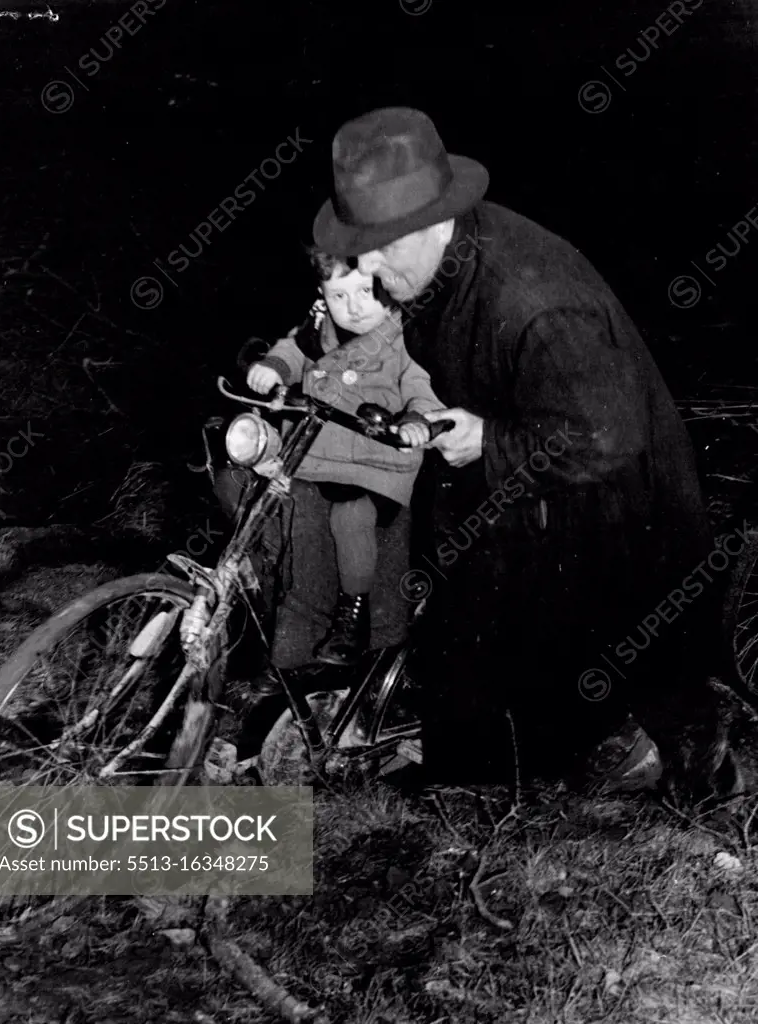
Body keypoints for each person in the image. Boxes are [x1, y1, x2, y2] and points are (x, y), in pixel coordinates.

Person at [309, 105, 743, 803]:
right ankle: (481, 764)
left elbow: (608, 438)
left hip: (615, 502)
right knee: (460, 624)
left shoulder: (532, 296)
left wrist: (490, 440)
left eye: (382, 247)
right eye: (361, 248)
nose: (368, 268)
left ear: (430, 223)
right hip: (523, 480)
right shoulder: (435, 267)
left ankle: (652, 748)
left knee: (569, 661)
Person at [245, 248, 443, 670]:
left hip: (376, 464)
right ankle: (280, 643)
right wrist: (274, 367)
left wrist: (415, 421)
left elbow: (423, 386)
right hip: (314, 454)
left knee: (351, 517)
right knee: (266, 504)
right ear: (321, 293)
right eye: (338, 296)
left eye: (364, 293)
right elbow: (293, 350)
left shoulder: (405, 336)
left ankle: (354, 617)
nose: (352, 308)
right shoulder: (317, 325)